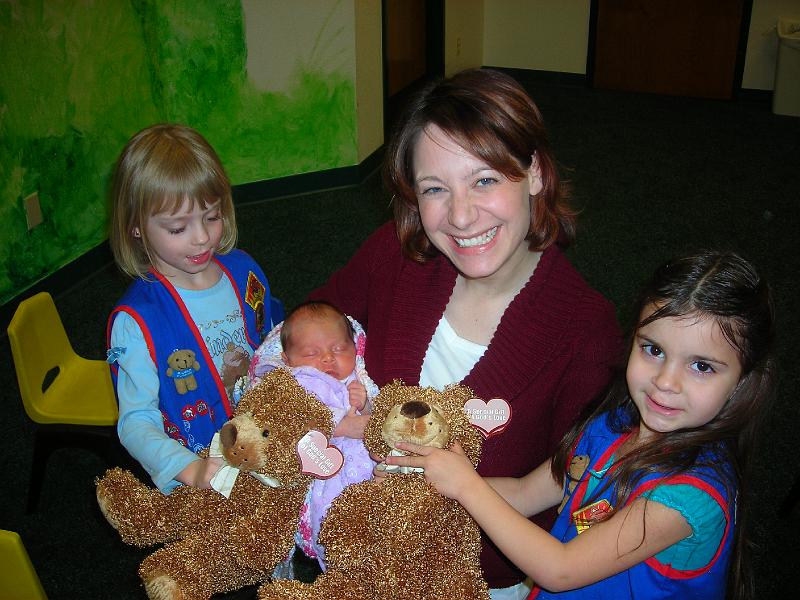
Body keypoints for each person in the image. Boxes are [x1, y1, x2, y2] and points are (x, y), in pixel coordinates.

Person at [308, 67, 622, 598]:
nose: (460, 216)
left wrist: (441, 487)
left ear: (537, 173)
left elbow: (579, 490)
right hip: (351, 544)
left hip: (480, 579)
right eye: (435, 188)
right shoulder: (393, 255)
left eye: (485, 180)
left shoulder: (586, 335)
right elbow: (311, 326)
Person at [388, 250, 775, 599]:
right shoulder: (612, 424)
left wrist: (467, 486)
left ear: (743, 381)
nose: (665, 381)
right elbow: (524, 493)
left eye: (701, 366)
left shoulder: (689, 497)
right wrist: (431, 483)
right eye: (653, 350)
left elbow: (559, 570)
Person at [106, 123, 274, 494]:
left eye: (212, 217)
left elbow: (274, 336)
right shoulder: (137, 322)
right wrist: (191, 469)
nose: (201, 237)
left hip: (264, 443)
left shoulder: (244, 270)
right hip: (203, 469)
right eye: (178, 228)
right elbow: (135, 422)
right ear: (136, 227)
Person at [247, 301, 376, 570]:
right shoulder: (292, 384)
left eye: (339, 349)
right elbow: (285, 427)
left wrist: (365, 403)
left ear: (356, 349)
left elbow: (380, 418)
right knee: (330, 517)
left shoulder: (357, 379)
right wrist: (341, 427)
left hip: (368, 470)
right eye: (311, 353)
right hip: (320, 472)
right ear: (287, 360)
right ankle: (341, 566)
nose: (328, 358)